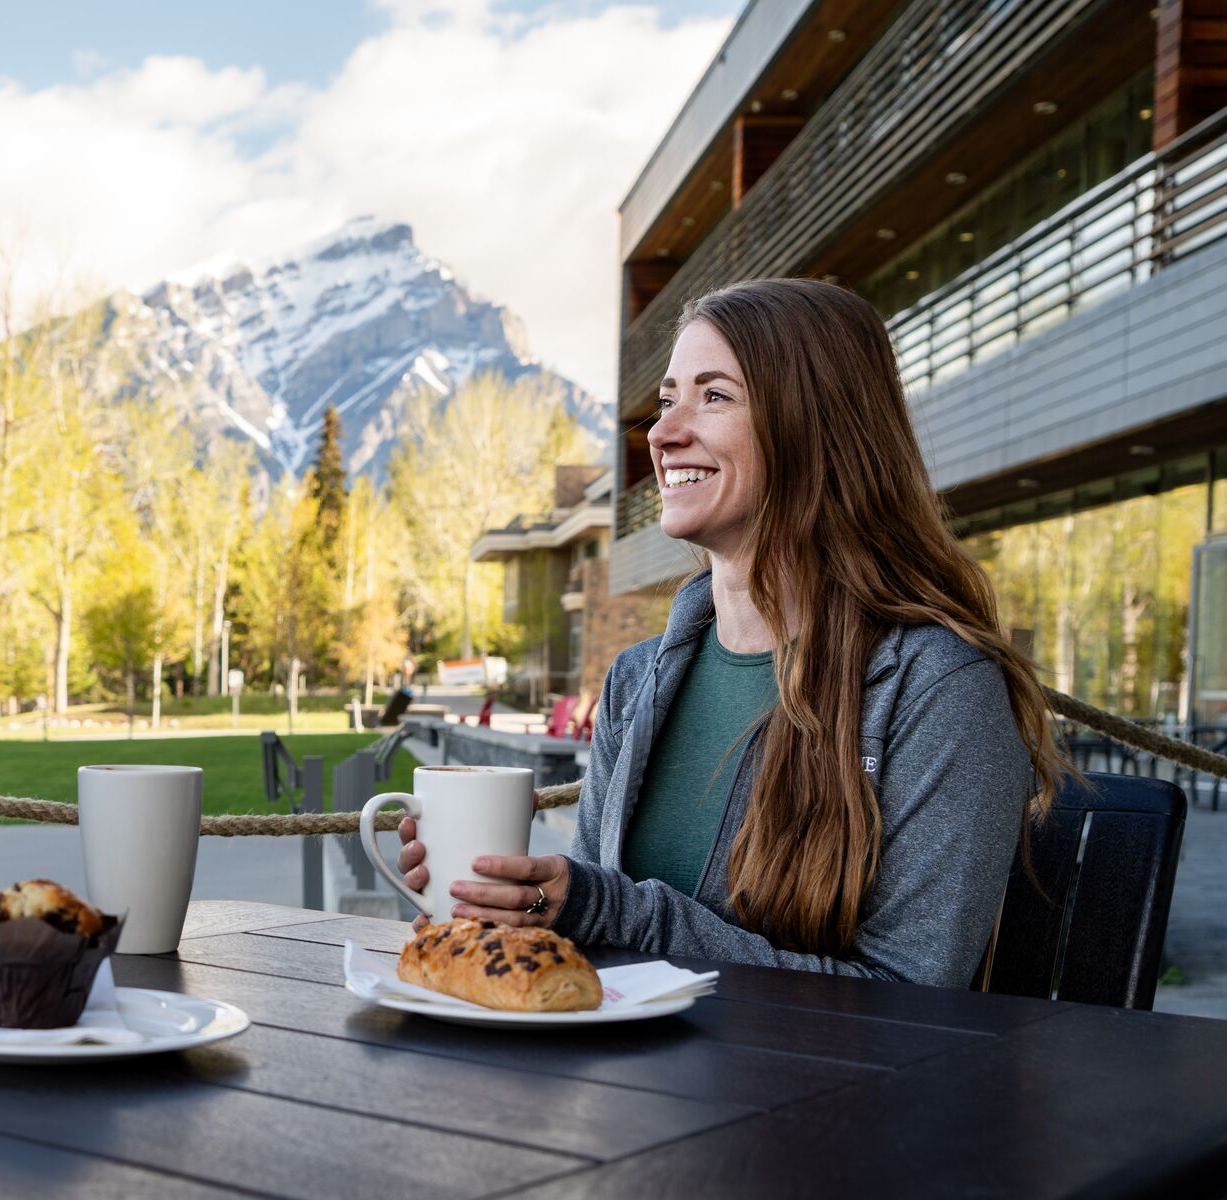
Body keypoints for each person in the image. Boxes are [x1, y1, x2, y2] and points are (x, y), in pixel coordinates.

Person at [397, 278, 1068, 988]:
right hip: (624, 1087)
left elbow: (911, 999)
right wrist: (510, 908)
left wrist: (608, 909)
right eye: (666, 401)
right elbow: (597, 934)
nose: (661, 434)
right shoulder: (637, 678)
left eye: (713, 396)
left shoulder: (938, 687)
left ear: (817, 426)